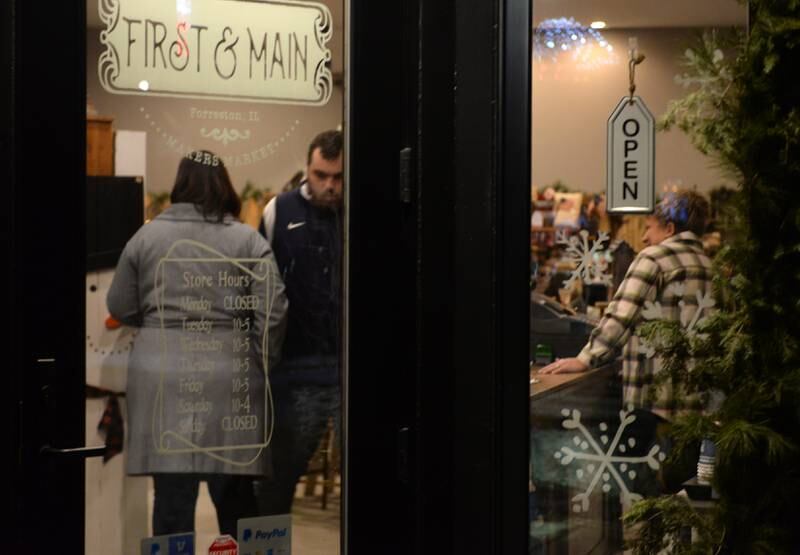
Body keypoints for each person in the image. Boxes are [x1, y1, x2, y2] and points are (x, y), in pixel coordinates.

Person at [107, 150, 288, 536]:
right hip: (230, 377)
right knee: (238, 502)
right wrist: (260, 363)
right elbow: (274, 311)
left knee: (171, 504)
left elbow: (119, 305)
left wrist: (158, 325)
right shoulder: (247, 240)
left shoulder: (145, 237)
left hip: (161, 379)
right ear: (224, 186)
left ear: (180, 184)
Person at [540, 190, 713, 492]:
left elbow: (621, 317)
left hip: (654, 405)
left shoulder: (655, 259)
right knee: (683, 493)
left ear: (670, 229)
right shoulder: (711, 266)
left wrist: (585, 358)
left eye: (649, 227)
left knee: (644, 494)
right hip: (698, 407)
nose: (644, 237)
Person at [253, 130, 344, 514]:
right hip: (293, 371)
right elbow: (258, 288)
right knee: (279, 480)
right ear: (307, 168)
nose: (329, 186)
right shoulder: (279, 211)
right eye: (320, 175)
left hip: (346, 371)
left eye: (338, 178)